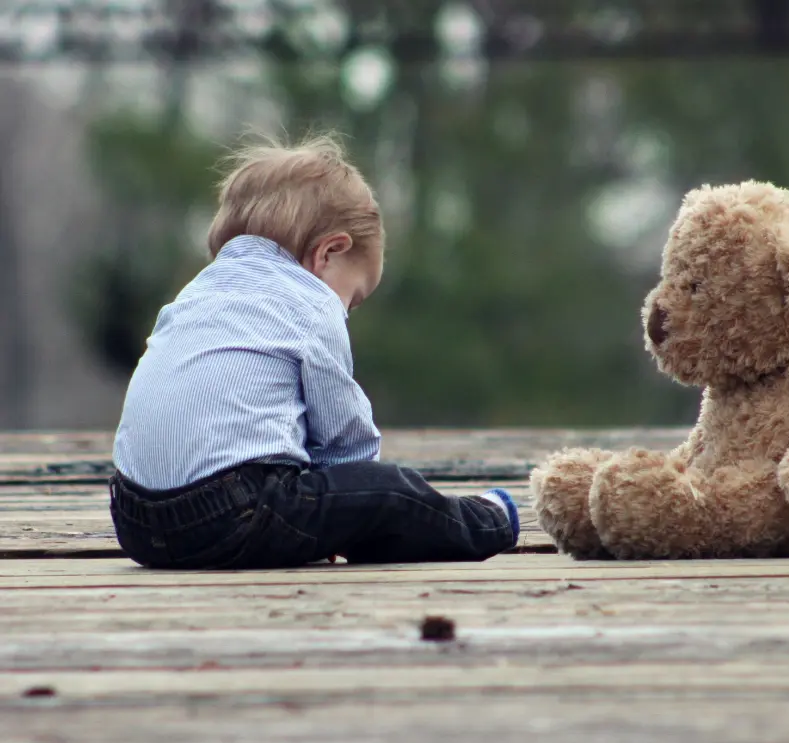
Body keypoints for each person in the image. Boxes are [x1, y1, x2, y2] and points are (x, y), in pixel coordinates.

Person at [108, 134, 519, 569]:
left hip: (134, 520)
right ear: (329, 252)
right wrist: (358, 502)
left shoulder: (195, 294)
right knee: (393, 492)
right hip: (232, 515)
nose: (346, 311)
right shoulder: (309, 303)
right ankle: (488, 520)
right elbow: (345, 442)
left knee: (330, 501)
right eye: (354, 298)